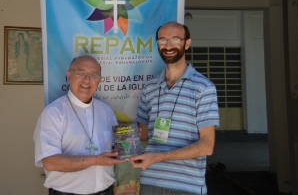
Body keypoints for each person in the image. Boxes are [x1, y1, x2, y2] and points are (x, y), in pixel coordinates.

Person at [129, 22, 219, 195]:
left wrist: (157, 157)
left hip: (186, 185)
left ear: (187, 43)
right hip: (150, 182)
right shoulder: (150, 87)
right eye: (162, 40)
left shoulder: (204, 87)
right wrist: (119, 140)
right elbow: (143, 134)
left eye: (175, 39)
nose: (168, 45)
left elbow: (207, 145)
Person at [34, 55, 125, 195]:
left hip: (106, 191)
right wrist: (95, 160)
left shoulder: (106, 111)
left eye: (93, 75)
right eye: (81, 73)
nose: (87, 80)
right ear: (69, 76)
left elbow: (117, 148)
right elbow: (50, 162)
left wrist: (130, 148)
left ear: (99, 81)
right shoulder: (53, 113)